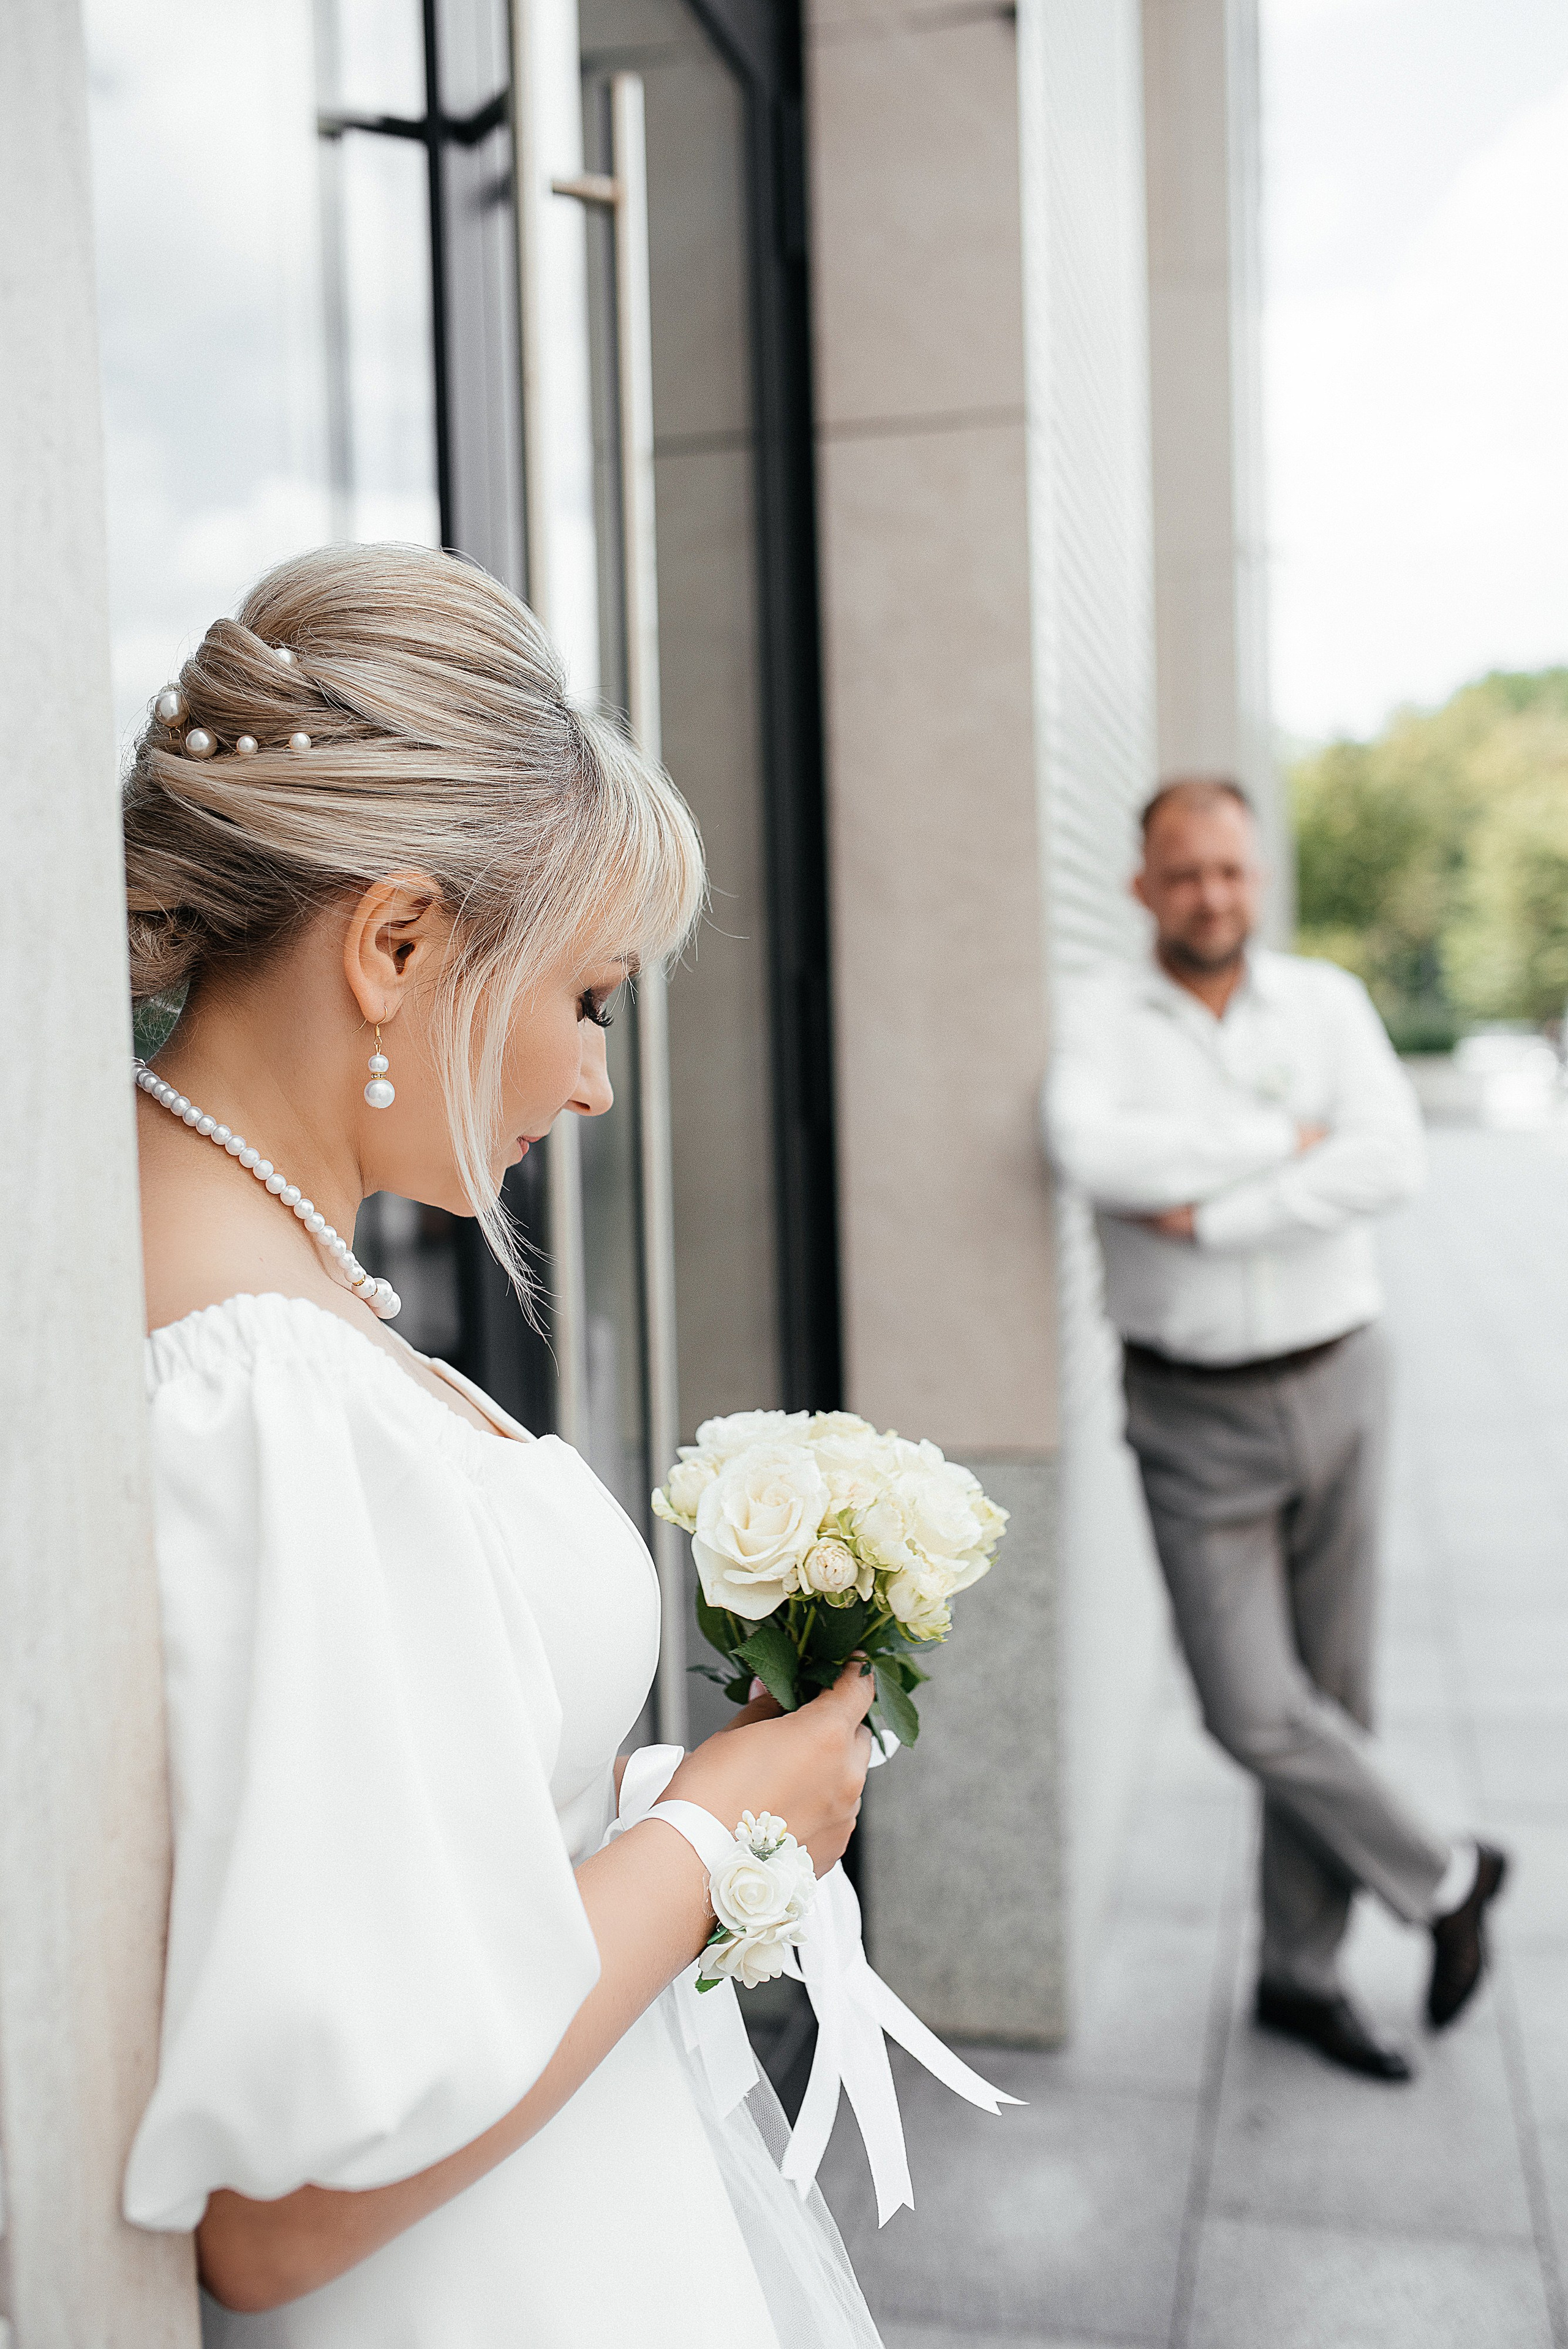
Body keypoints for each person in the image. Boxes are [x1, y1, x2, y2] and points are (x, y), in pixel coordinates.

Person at [122, 543, 884, 2343]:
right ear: (394, 943)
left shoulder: (239, 1277)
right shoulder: (257, 1389)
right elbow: (287, 2203)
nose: (599, 1081)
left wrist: (620, 1815)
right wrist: (707, 1835)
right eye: (594, 997)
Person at [1044, 775, 1507, 2082]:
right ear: (1141, 885)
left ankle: (1298, 1976)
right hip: (1188, 1409)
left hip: (1339, 1376)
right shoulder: (1097, 1013)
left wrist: (1220, 1209)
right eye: (1183, 873)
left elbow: (1385, 1159)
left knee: (1333, 1696)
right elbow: (1092, 1151)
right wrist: (1271, 1140)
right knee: (1253, 1707)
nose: (1210, 895)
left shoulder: (1326, 1003)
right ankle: (1449, 1873)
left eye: (1230, 872)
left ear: (1259, 877)